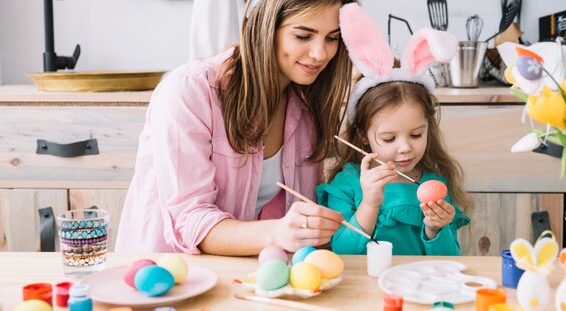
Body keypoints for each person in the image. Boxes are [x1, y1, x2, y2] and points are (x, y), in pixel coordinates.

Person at [115, 0, 356, 255]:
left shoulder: (307, 105)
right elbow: (189, 222)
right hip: (165, 276)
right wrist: (278, 232)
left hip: (244, 275)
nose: (320, 53)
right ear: (265, 27)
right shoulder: (189, 91)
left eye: (332, 38)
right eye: (303, 36)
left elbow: (291, 218)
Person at [316, 4, 472, 255]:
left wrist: (435, 229)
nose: (405, 147)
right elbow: (342, 251)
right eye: (388, 138)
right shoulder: (348, 184)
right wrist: (369, 203)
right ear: (362, 137)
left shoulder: (434, 184)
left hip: (416, 289)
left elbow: (449, 258)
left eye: (416, 134)